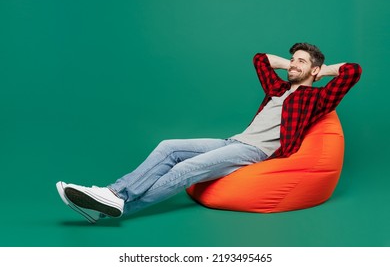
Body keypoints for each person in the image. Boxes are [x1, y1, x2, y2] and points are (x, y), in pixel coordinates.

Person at [56, 42, 362, 223]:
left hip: (256, 152)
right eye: (292, 59)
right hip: (234, 141)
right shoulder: (278, 88)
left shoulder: (317, 98)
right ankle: (112, 197)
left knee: (187, 168)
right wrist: (294, 65)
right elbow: (260, 59)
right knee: (168, 147)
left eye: (300, 62)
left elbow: (352, 71)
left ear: (314, 71)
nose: (293, 64)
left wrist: (320, 70)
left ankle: (117, 200)